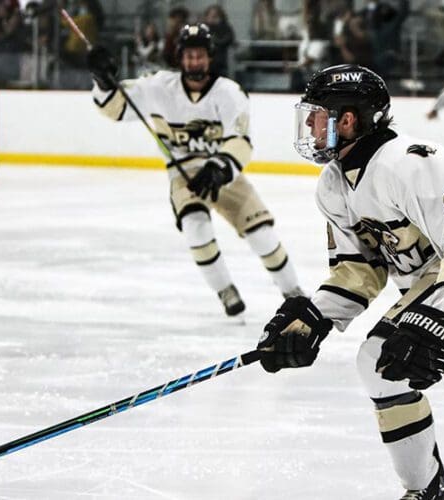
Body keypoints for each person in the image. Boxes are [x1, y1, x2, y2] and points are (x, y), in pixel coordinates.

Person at [257, 64, 444, 499]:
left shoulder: (413, 163)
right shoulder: (334, 186)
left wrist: (437, 322)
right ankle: (427, 491)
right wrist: (313, 318)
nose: (310, 126)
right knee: (380, 364)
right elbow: (359, 267)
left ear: (349, 119)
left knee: (383, 360)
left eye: (317, 116)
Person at [86, 23, 303, 317]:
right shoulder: (159, 87)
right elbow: (116, 108)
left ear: (210, 57)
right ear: (180, 58)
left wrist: (219, 168)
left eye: (199, 56)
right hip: (183, 175)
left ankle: (293, 293)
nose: (194, 62)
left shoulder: (229, 93)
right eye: (189, 56)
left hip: (225, 172)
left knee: (261, 233)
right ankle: (226, 291)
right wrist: (102, 80)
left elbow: (241, 141)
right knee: (195, 229)